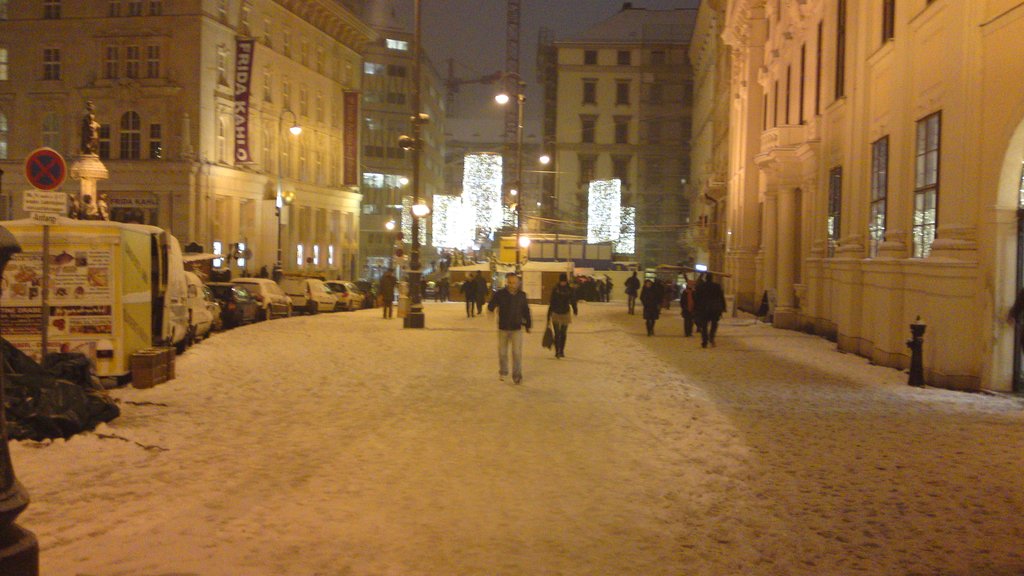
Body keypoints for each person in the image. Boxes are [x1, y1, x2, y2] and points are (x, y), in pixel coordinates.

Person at [488, 273, 532, 384]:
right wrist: (491, 308)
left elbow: (526, 310)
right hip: (503, 328)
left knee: (516, 353)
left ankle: (517, 375)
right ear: (507, 283)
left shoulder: (522, 295)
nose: (512, 285)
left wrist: (528, 324)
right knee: (502, 352)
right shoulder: (500, 294)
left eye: (514, 283)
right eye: (510, 283)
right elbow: (491, 304)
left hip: (516, 328)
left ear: (518, 283)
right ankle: (503, 371)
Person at [547, 272, 578, 359]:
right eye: (561, 281)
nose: (563, 283)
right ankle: (557, 351)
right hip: (556, 312)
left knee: (563, 333)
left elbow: (573, 300)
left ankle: (561, 350)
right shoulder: (555, 289)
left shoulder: (569, 289)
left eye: (564, 281)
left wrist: (575, 309)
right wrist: (549, 314)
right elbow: (552, 302)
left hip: (565, 312)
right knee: (557, 333)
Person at [694, 274, 727, 348]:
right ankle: (711, 337)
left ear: (706, 278)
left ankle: (704, 341)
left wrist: (696, 308)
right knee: (714, 324)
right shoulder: (716, 286)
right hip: (714, 308)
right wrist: (723, 307)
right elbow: (721, 297)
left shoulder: (701, 286)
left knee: (704, 325)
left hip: (703, 308)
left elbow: (696, 298)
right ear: (712, 279)